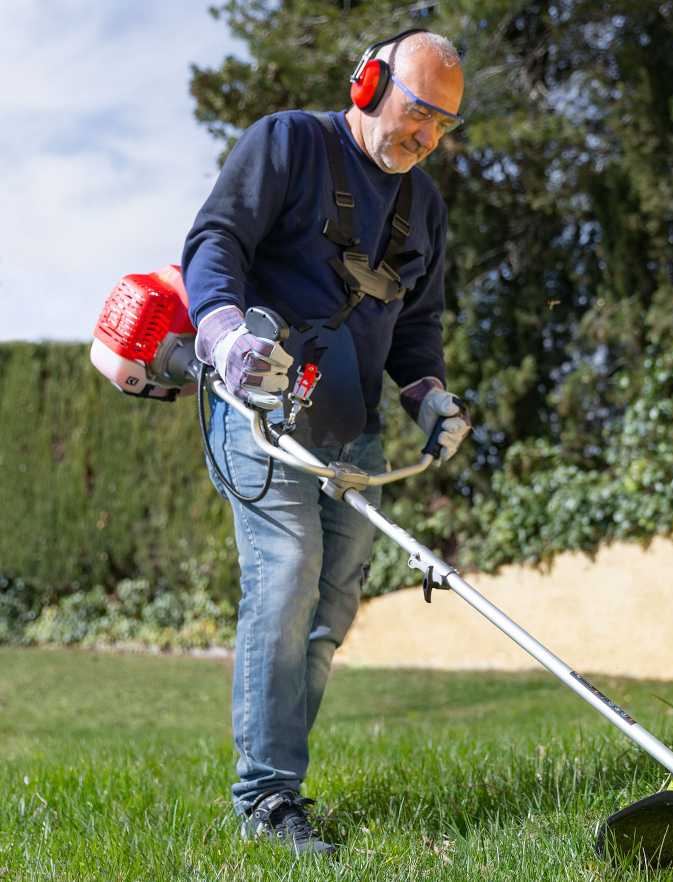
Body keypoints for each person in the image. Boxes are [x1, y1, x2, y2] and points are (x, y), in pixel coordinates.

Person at [181, 29, 471, 856]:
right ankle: (267, 799)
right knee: (287, 572)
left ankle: (277, 781)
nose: (425, 136)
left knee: (331, 609)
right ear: (369, 83)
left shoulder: (425, 207)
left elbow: (417, 326)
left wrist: (431, 398)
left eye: (442, 125)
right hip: (259, 409)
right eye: (417, 111)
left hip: (354, 429)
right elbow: (216, 242)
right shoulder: (288, 144)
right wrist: (227, 334)